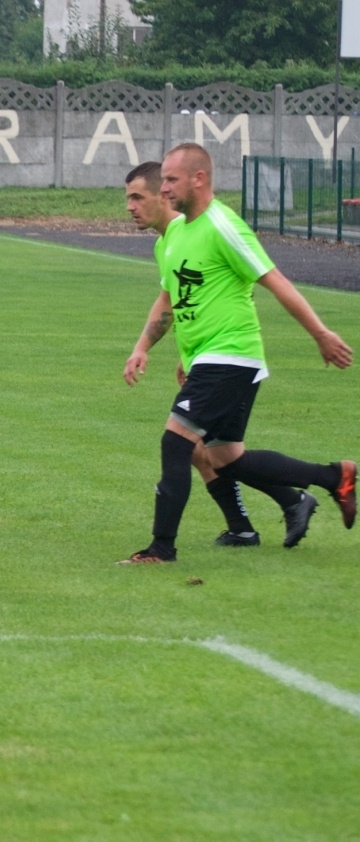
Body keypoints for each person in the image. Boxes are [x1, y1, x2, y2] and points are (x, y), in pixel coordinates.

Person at [121, 143, 355, 564]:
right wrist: (146, 349)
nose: (166, 187)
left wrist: (320, 332)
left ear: (199, 178)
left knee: (176, 443)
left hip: (230, 355)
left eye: (171, 179)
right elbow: (173, 302)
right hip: (213, 361)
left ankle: (161, 549)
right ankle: (333, 477)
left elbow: (274, 279)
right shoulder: (174, 235)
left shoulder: (223, 226)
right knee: (226, 458)